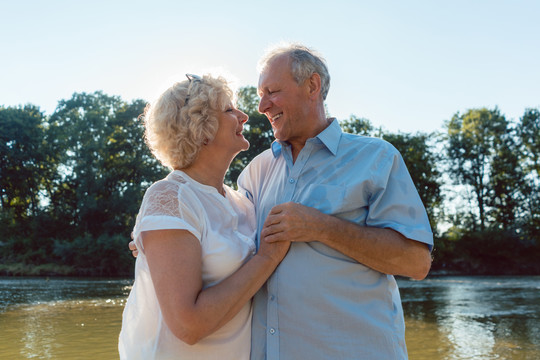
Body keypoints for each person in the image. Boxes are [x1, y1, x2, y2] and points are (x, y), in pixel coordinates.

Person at [235, 44, 433, 359]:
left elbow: (415, 263)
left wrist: (322, 227)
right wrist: (167, 234)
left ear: (312, 86)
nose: (261, 106)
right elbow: (226, 240)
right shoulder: (255, 171)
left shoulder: (377, 158)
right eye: (260, 94)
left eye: (272, 91)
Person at [118, 74, 290, 360]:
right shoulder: (170, 197)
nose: (244, 116)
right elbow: (188, 326)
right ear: (201, 128)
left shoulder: (243, 204)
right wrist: (266, 258)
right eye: (229, 110)